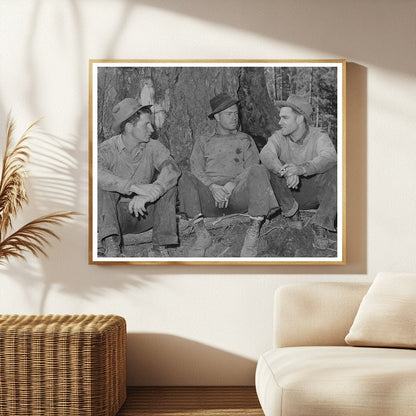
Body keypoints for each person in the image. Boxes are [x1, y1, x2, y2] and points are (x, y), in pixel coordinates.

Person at [179, 92, 278, 257]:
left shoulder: (245, 139)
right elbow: (196, 168)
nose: (235, 118)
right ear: (217, 117)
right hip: (210, 199)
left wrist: (232, 184)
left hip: (238, 195)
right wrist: (212, 187)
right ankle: (202, 234)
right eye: (229, 114)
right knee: (184, 176)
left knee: (259, 170)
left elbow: (252, 166)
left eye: (236, 113)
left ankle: (253, 232)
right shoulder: (204, 140)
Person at [98, 98, 180, 257]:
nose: (152, 129)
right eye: (146, 125)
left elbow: (172, 168)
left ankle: (160, 247)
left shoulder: (153, 146)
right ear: (129, 127)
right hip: (115, 218)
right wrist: (134, 187)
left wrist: (155, 189)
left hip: (145, 214)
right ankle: (111, 246)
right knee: (104, 187)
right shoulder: (107, 149)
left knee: (169, 186)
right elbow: (96, 173)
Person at [259, 94, 338, 249]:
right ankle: (291, 214)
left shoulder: (319, 136)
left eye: (285, 118)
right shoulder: (279, 136)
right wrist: (286, 170)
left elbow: (329, 156)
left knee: (334, 168)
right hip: (286, 194)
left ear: (300, 118)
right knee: (269, 165)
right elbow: (265, 153)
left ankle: (322, 223)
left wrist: (302, 169)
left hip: (313, 194)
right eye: (280, 117)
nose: (279, 122)